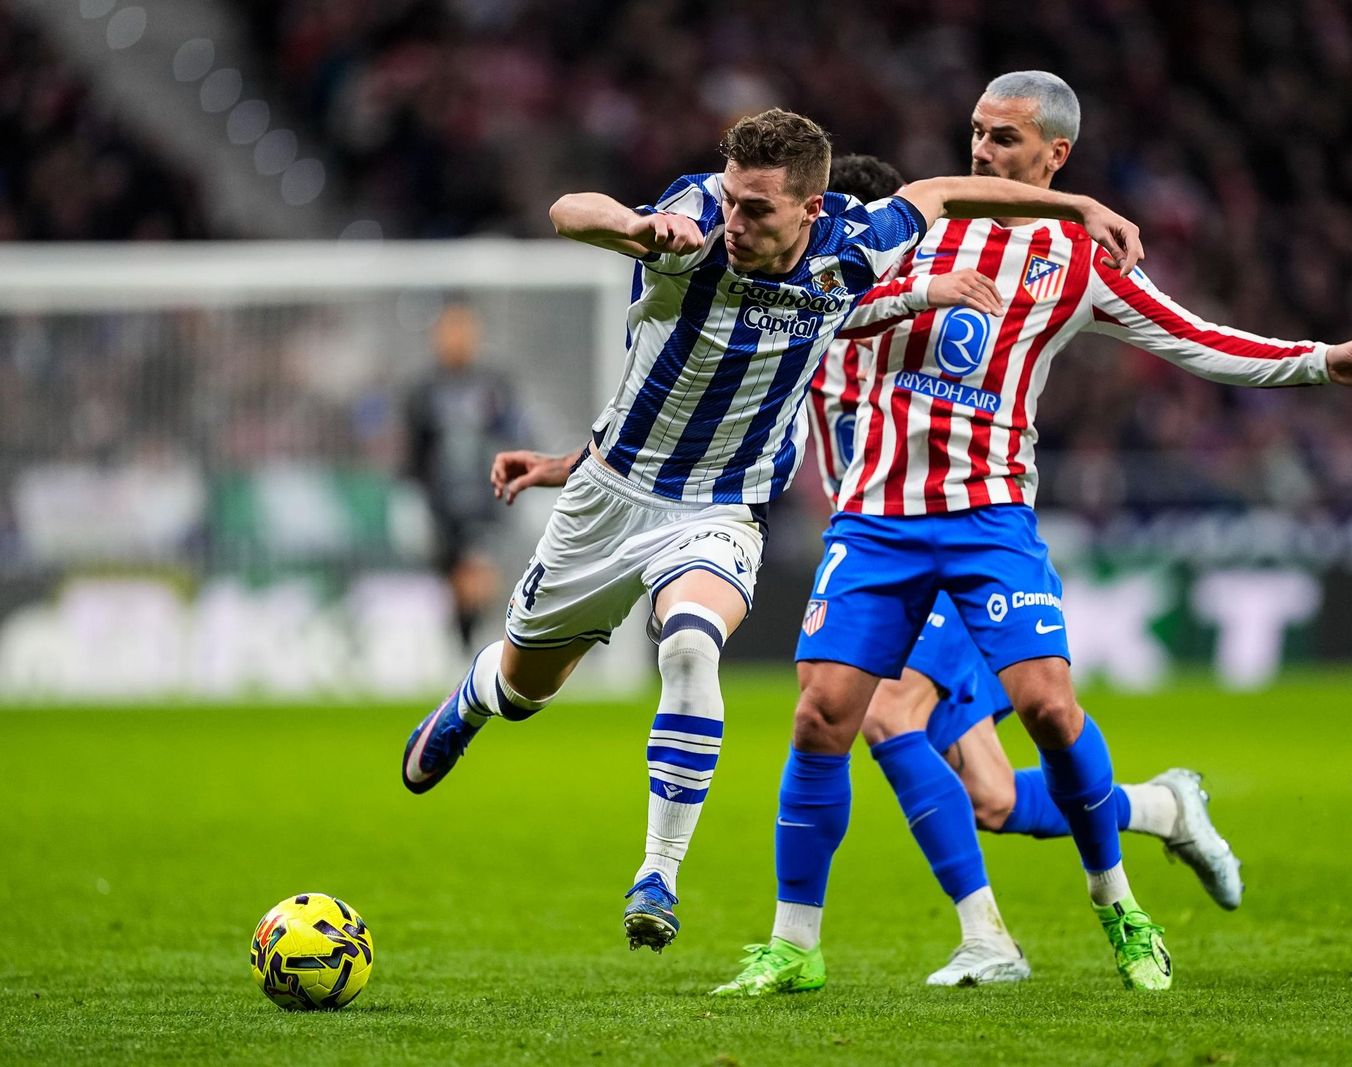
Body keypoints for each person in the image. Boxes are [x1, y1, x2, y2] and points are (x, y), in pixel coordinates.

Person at [712, 73, 1352, 997]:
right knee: (828, 720)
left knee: (1045, 707)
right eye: (975, 133)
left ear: (1055, 157)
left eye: (1005, 140)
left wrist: (1322, 360)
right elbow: (805, 307)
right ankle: (797, 945)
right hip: (876, 520)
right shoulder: (909, 229)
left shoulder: (1078, 260)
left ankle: (1115, 904)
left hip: (987, 516)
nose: (981, 152)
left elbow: (1196, 338)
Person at [399, 106, 1148, 955]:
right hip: (612, 496)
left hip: (722, 508)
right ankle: (476, 699)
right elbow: (571, 211)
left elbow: (942, 192)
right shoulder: (694, 226)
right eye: (730, 198)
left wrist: (1077, 207)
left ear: (811, 206)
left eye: (758, 208)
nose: (736, 219)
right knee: (528, 682)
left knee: (687, 642)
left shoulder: (855, 244)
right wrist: (648, 226)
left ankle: (658, 875)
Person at [813, 155, 1242, 988]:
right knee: (995, 799)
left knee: (889, 714)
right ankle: (1162, 806)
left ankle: (990, 938)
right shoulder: (820, 323)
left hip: (957, 537)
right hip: (882, 543)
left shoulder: (926, 289)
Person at [402, 297, 520, 651]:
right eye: (450, 329)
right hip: (441, 505)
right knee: (453, 582)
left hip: (486, 499)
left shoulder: (494, 384)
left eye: (464, 328)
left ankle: (480, 645)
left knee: (478, 575)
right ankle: (462, 645)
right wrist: (410, 499)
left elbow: (511, 436)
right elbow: (414, 451)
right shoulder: (423, 390)